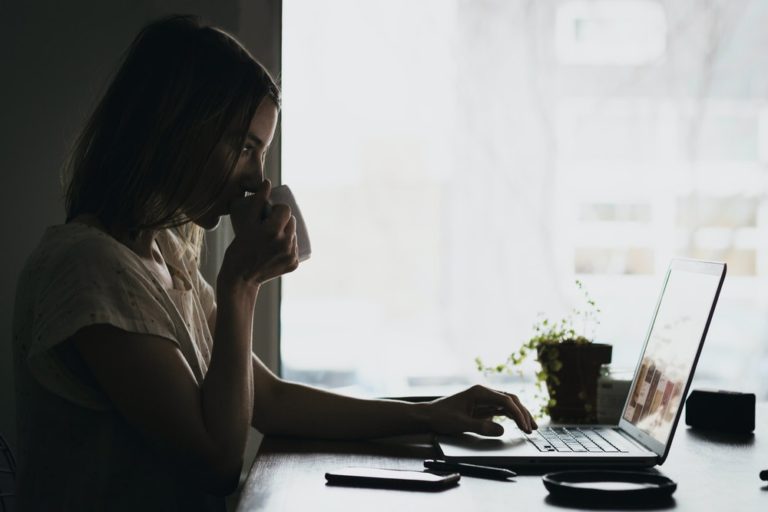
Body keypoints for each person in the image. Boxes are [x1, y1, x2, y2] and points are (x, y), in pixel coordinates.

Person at [11, 15, 536, 511]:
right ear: (176, 130)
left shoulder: (163, 257)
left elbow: (270, 399)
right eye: (244, 147)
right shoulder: (90, 268)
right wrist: (241, 282)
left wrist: (434, 414)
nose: (256, 179)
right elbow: (214, 461)